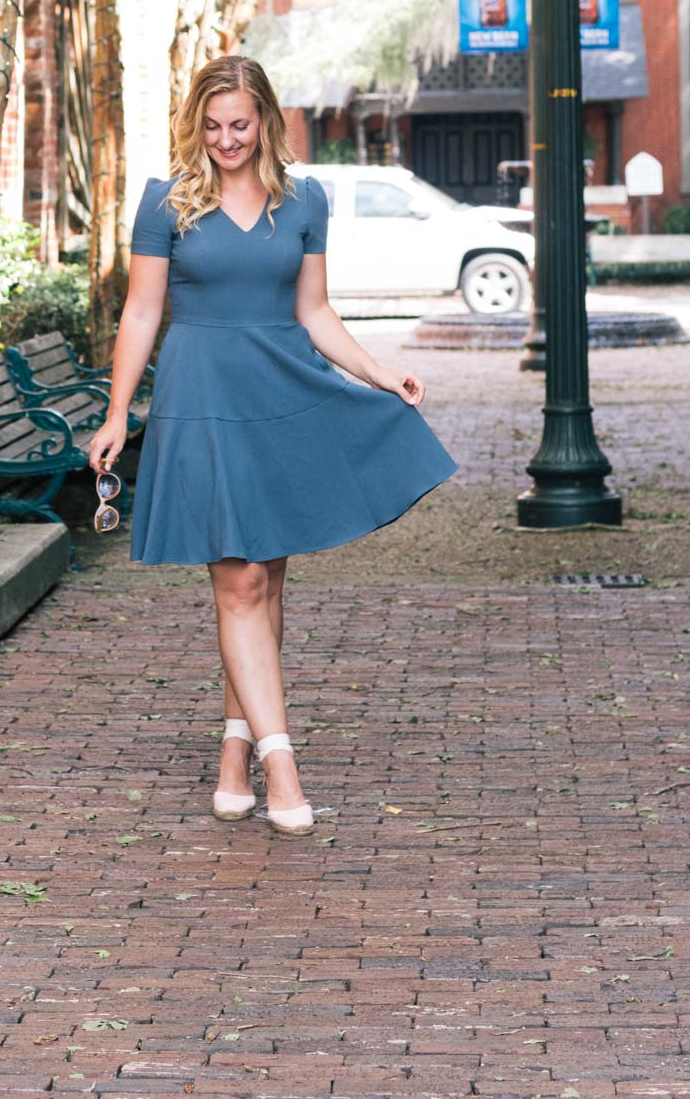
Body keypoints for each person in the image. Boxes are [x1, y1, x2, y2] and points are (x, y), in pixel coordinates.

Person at [87, 56, 456, 837]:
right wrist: (119, 411)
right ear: (198, 124)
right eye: (212, 126)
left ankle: (234, 752)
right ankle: (281, 764)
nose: (225, 140)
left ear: (267, 123)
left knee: (267, 581)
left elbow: (316, 312)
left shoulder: (305, 200)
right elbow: (141, 313)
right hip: (202, 399)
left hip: (283, 392)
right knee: (240, 583)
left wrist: (379, 374)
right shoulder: (165, 203)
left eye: (239, 125)